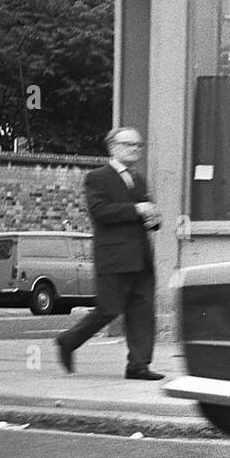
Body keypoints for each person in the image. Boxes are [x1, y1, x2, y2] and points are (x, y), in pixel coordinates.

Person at [54, 127, 163, 380]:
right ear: (113, 147)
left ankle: (138, 365)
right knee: (109, 309)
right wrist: (137, 209)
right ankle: (68, 341)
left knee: (142, 311)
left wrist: (153, 218)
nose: (135, 149)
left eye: (138, 145)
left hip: (141, 257)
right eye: (129, 145)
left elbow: (146, 215)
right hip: (114, 257)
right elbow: (100, 212)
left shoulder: (139, 178)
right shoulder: (98, 177)